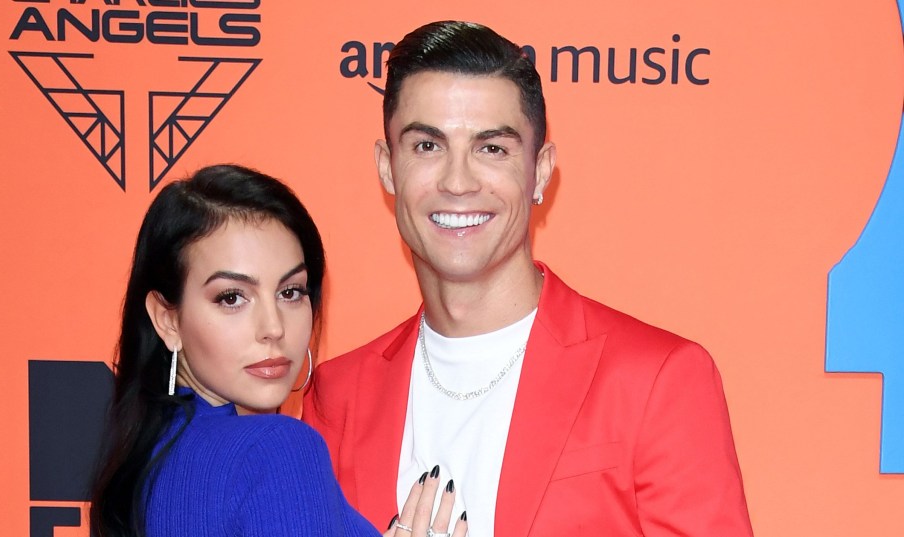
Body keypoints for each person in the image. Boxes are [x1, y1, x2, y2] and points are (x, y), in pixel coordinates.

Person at [303, 21, 754, 537]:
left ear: (540, 171)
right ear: (388, 168)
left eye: (491, 148)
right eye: (427, 146)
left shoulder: (656, 380)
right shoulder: (335, 397)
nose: (457, 181)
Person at [89, 164, 467, 537]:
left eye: (290, 292)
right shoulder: (274, 450)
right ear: (167, 319)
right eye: (232, 297)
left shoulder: (144, 469)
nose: (273, 328)